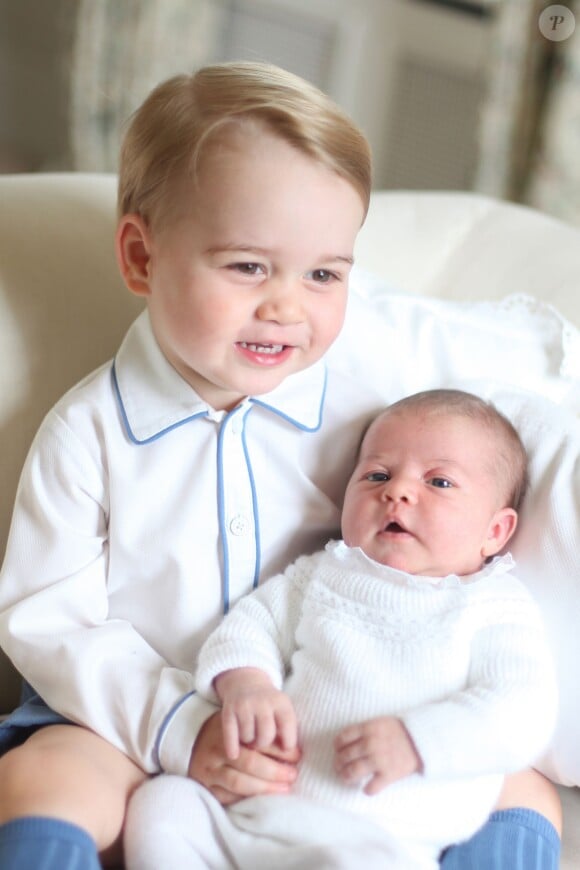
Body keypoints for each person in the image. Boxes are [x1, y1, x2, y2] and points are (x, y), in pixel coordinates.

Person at [0, 63, 560, 870]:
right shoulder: (89, 433)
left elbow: (512, 360)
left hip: (343, 714)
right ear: (140, 257)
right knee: (44, 779)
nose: (288, 307)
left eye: (324, 274)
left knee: (521, 787)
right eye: (247, 267)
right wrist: (183, 729)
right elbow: (51, 624)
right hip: (131, 719)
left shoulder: (375, 390)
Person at [123, 389, 558, 869]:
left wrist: (419, 742)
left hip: (379, 844)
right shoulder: (323, 574)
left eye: (439, 481)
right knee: (162, 805)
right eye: (377, 475)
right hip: (252, 819)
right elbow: (251, 625)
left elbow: (523, 711)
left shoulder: (492, 606)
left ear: (495, 531)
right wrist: (247, 683)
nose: (397, 491)